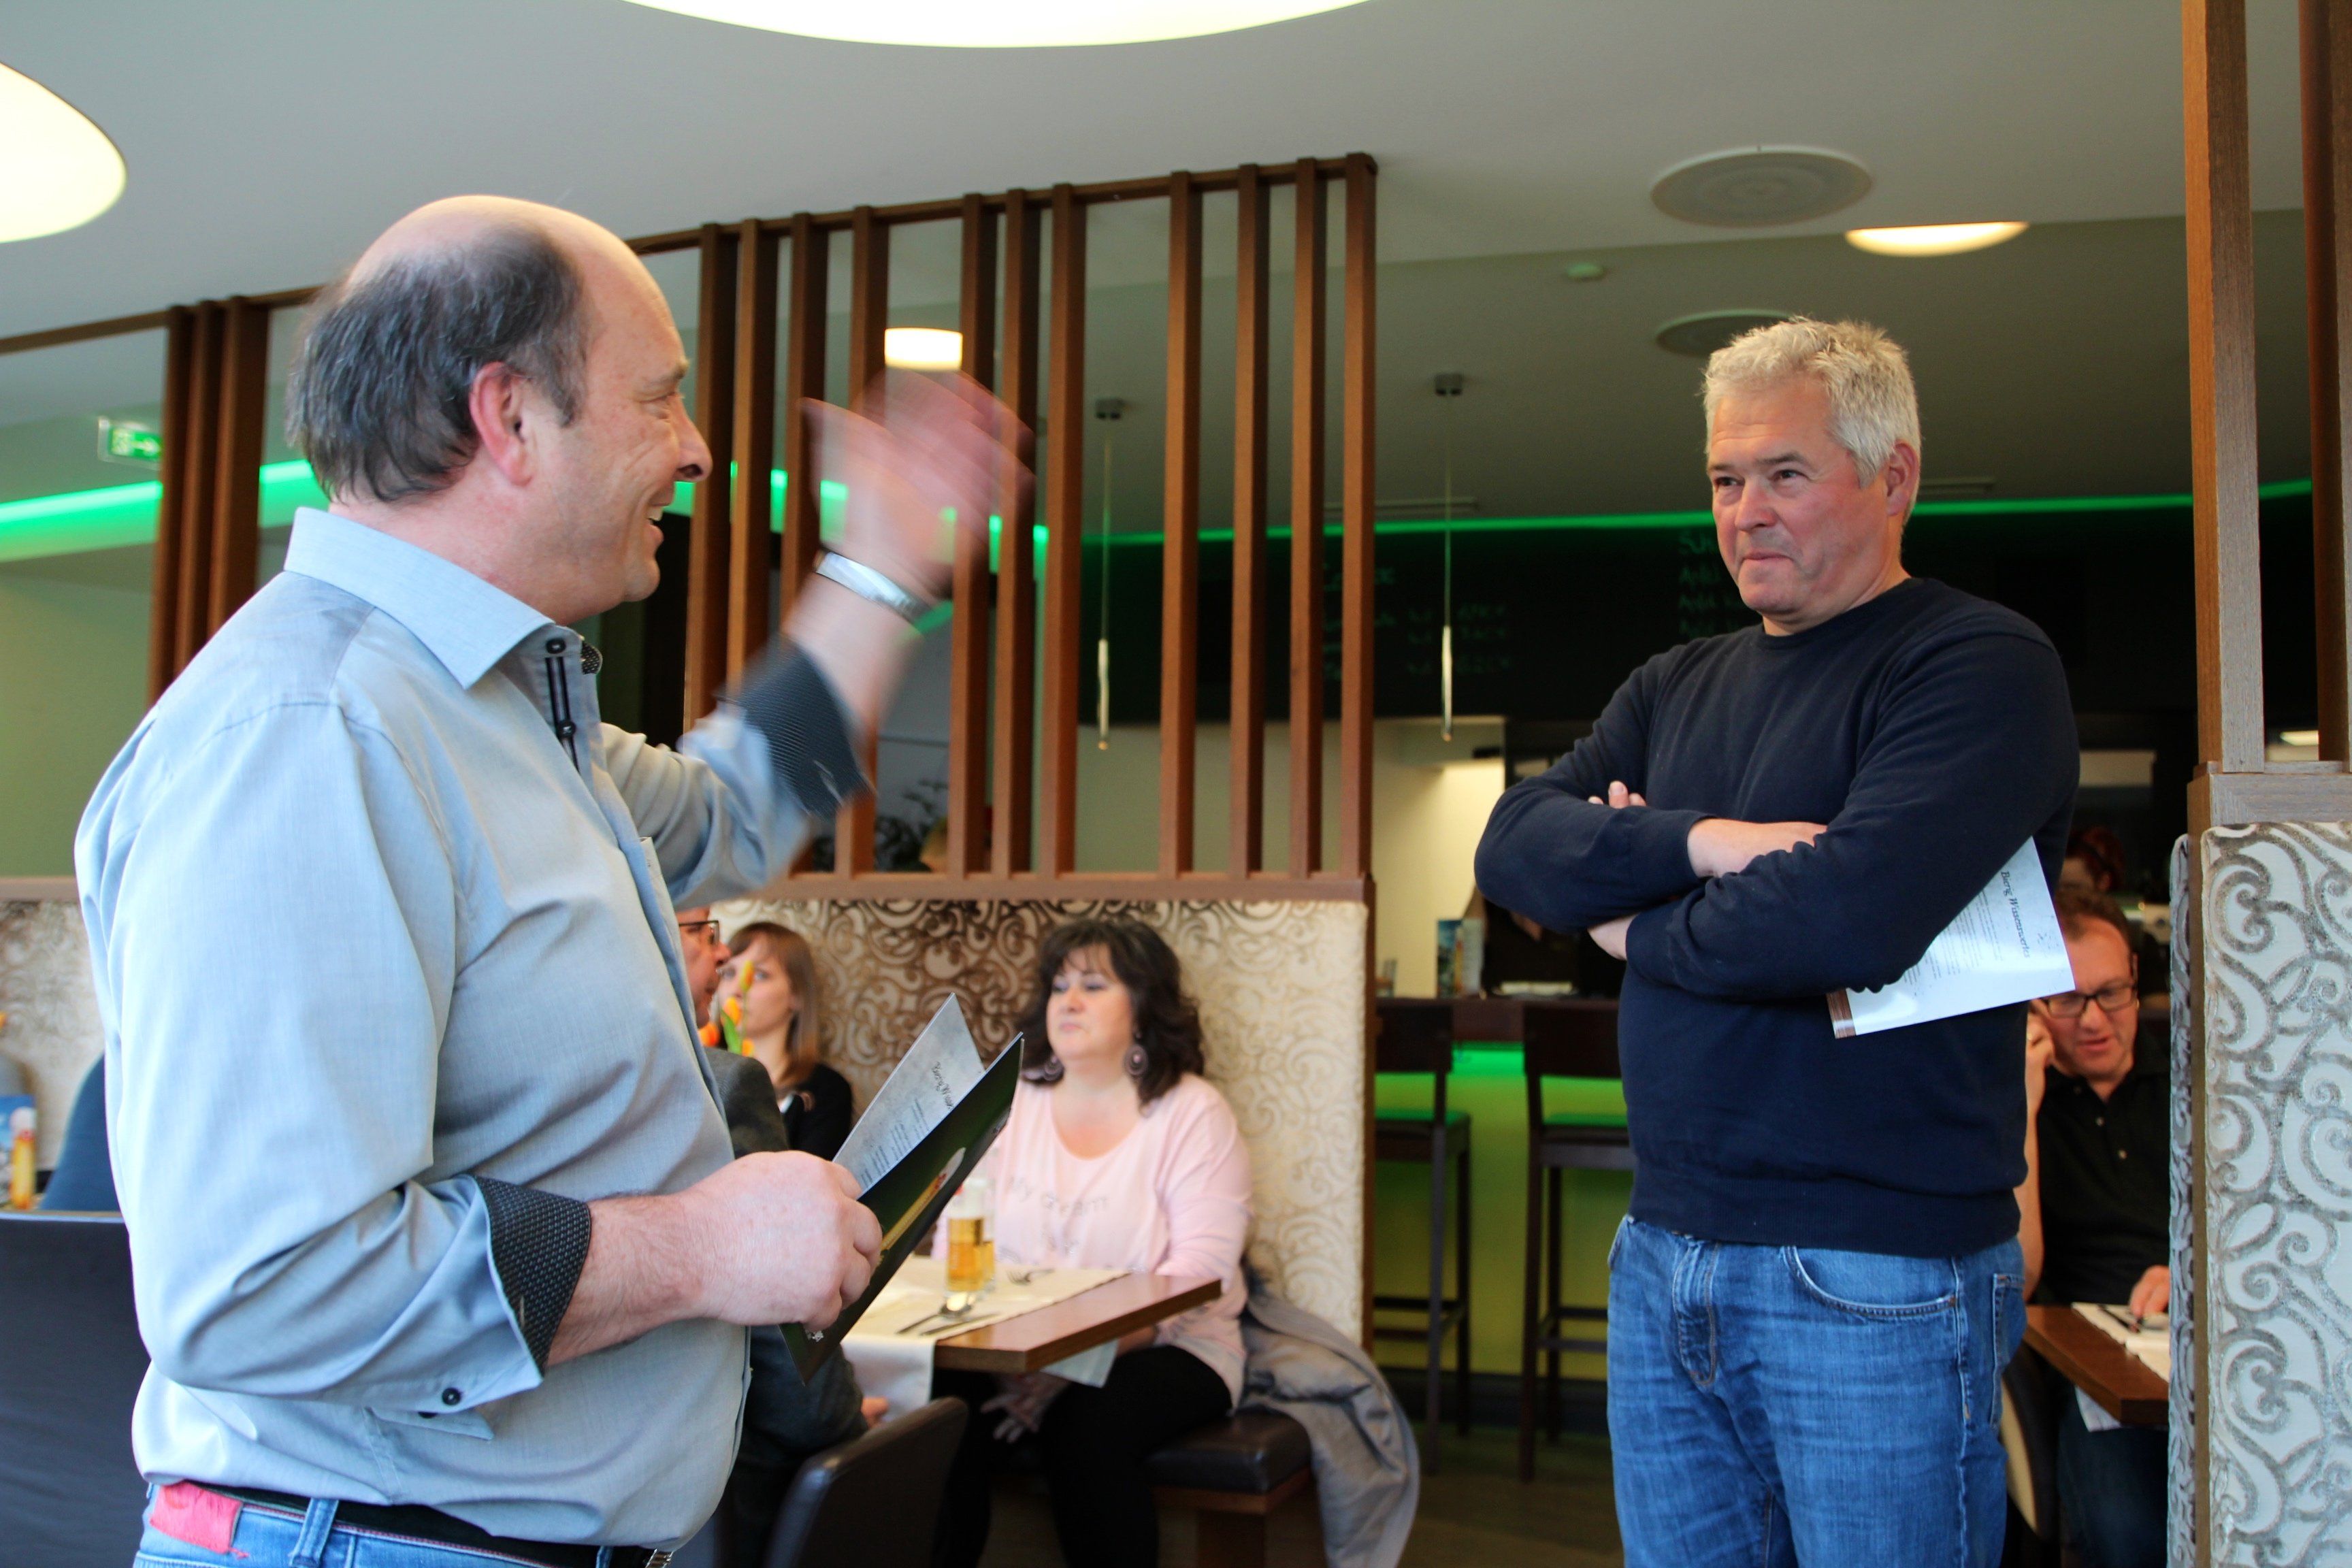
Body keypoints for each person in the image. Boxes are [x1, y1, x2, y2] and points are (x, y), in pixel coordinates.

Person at [77, 195, 1019, 1567]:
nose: (696, 448)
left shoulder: (496, 711)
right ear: (510, 417)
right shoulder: (310, 733)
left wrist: (877, 567)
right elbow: (263, 1285)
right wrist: (698, 1250)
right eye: (659, 397)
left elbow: (735, 812)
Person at [1475, 317, 2076, 1567]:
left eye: (1784, 474)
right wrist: (1712, 844)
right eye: (1724, 478)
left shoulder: (1977, 663)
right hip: (1663, 1248)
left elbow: (1847, 915)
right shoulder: (1673, 683)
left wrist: (1627, 918)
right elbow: (1513, 845)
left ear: (1894, 477)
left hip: (1879, 1269)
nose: (1745, 512)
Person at [932, 918, 1252, 1568]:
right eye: (1059, 987)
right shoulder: (1010, 1101)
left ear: (1144, 1007)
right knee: (934, 1414)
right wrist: (1007, 1358)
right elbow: (953, 1245)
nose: (1068, 1002)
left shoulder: (1192, 1113)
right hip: (1012, 1347)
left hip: (1170, 1344)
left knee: (1086, 1428)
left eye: (1093, 986)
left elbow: (1196, 1277)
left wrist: (1067, 1365)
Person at [2021, 888, 2168, 1568]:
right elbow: (2021, 1276)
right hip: (2087, 1361)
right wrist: (2023, 1101)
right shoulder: (2028, 1102)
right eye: (2069, 1001)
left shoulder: (2196, 1078)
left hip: (2192, 1334)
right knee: (2128, 1531)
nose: (2096, 1021)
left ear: (2137, 980)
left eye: (2112, 994)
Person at [713, 921, 854, 1160]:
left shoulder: (825, 1092)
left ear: (796, 995)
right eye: (728, 973)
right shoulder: (700, 1074)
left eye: (759, 975)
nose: (737, 989)